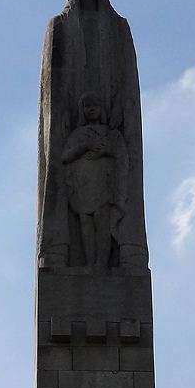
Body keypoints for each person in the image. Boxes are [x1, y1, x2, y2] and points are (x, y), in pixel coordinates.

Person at [37, 0, 149, 270]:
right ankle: (59, 251)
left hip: (111, 123)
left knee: (111, 200)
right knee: (70, 196)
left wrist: (120, 110)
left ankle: (123, 252)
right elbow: (52, 82)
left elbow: (128, 76)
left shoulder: (117, 26)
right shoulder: (58, 26)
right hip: (71, 124)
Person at [61, 91, 128, 269]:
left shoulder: (109, 133)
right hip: (83, 185)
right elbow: (65, 156)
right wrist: (85, 146)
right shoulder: (78, 134)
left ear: (101, 108)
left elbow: (120, 155)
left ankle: (101, 263)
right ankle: (90, 263)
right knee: (85, 223)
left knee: (102, 220)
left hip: (102, 184)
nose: (91, 109)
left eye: (94, 105)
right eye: (87, 106)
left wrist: (105, 150)